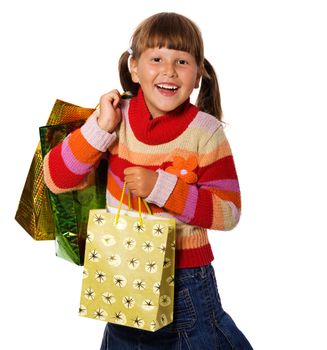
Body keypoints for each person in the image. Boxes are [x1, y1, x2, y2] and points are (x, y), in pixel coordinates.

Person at [43, 12, 253, 350]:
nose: (169, 71)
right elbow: (56, 178)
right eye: (156, 58)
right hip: (122, 269)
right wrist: (99, 128)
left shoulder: (205, 132)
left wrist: (161, 187)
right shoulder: (115, 119)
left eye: (182, 61)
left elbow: (228, 212)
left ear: (198, 74)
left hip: (186, 280)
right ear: (134, 68)